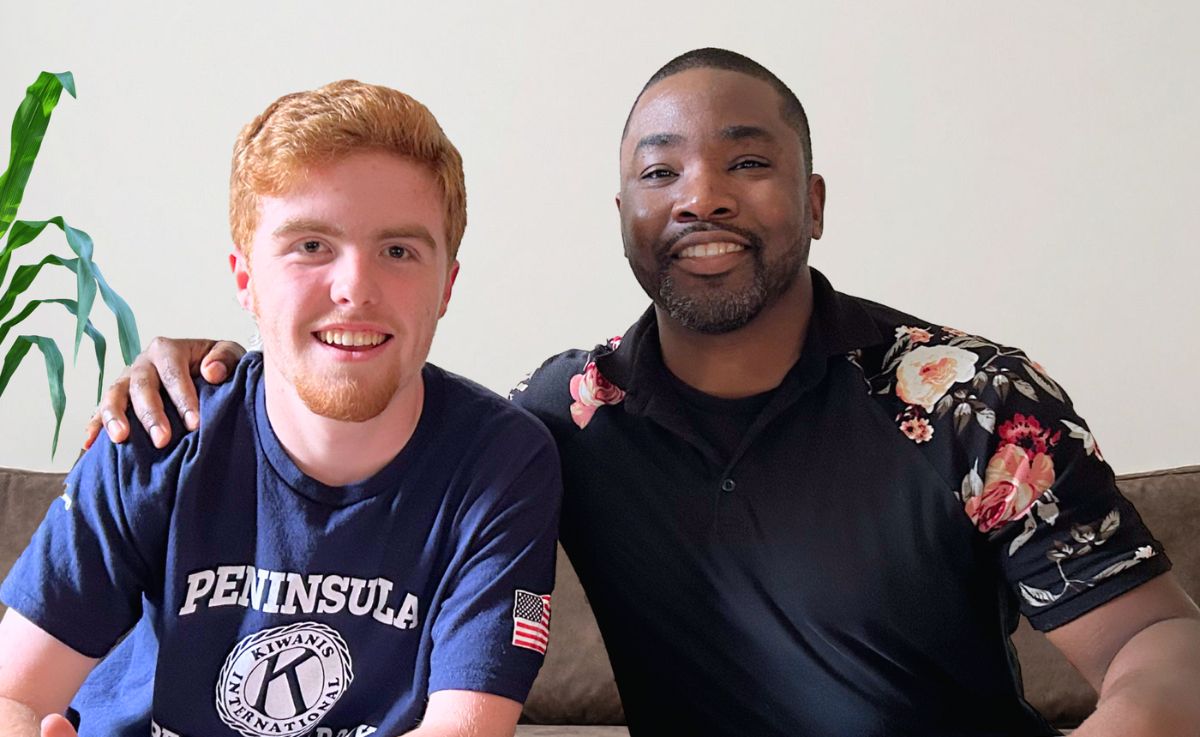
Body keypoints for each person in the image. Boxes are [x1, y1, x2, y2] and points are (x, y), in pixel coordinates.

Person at [84, 50, 1200, 736]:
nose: (700, 194)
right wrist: (210, 363)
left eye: (748, 162)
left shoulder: (965, 398)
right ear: (621, 210)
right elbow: (368, 400)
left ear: (813, 200)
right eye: (659, 171)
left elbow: (1161, 646)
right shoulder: (563, 415)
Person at [0, 80, 561, 737]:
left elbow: (463, 730)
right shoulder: (155, 428)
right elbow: (15, 692)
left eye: (398, 251)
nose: (355, 287)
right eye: (311, 246)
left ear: (446, 286)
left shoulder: (500, 463)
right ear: (246, 279)